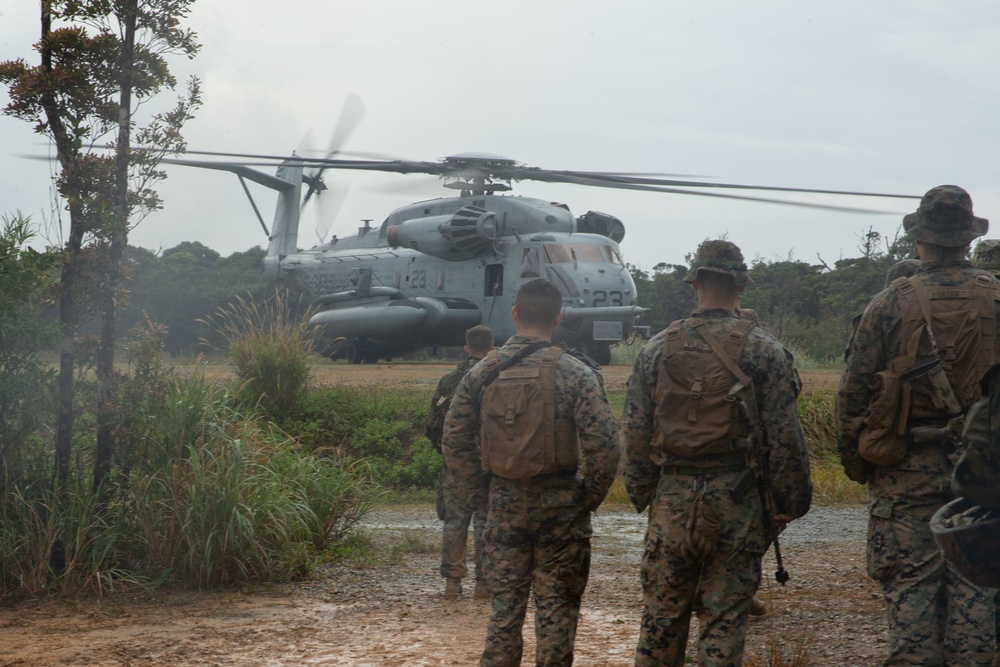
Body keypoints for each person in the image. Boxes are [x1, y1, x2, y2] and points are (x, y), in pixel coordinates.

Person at [623, 239, 812, 667]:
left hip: (672, 496)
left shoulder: (655, 348)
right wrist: (790, 503)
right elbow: (785, 436)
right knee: (724, 618)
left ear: (695, 284)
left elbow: (634, 430)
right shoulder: (764, 349)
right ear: (740, 286)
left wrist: (645, 492)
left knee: (661, 619)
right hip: (737, 498)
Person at [837, 185, 1000, 666]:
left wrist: (861, 465)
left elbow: (853, 396)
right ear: (968, 238)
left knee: (911, 624)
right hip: (985, 481)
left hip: (904, 473)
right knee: (977, 622)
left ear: (918, 238)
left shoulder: (887, 304)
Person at [442, 278, 621, 667]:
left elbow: (453, 440)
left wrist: (481, 497)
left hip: (502, 503)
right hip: (561, 507)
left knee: (504, 610)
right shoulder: (574, 372)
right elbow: (606, 447)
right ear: (559, 317)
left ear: (514, 314)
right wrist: (586, 498)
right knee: (557, 610)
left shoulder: (481, 372)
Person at [425, 324, 495, 600]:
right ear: (491, 347)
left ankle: (452, 583)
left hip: (455, 460)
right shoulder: (499, 375)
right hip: (489, 461)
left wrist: (444, 451)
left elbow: (432, 425)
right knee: (486, 520)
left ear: (466, 348)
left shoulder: (449, 381)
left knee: (455, 521)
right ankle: (484, 583)